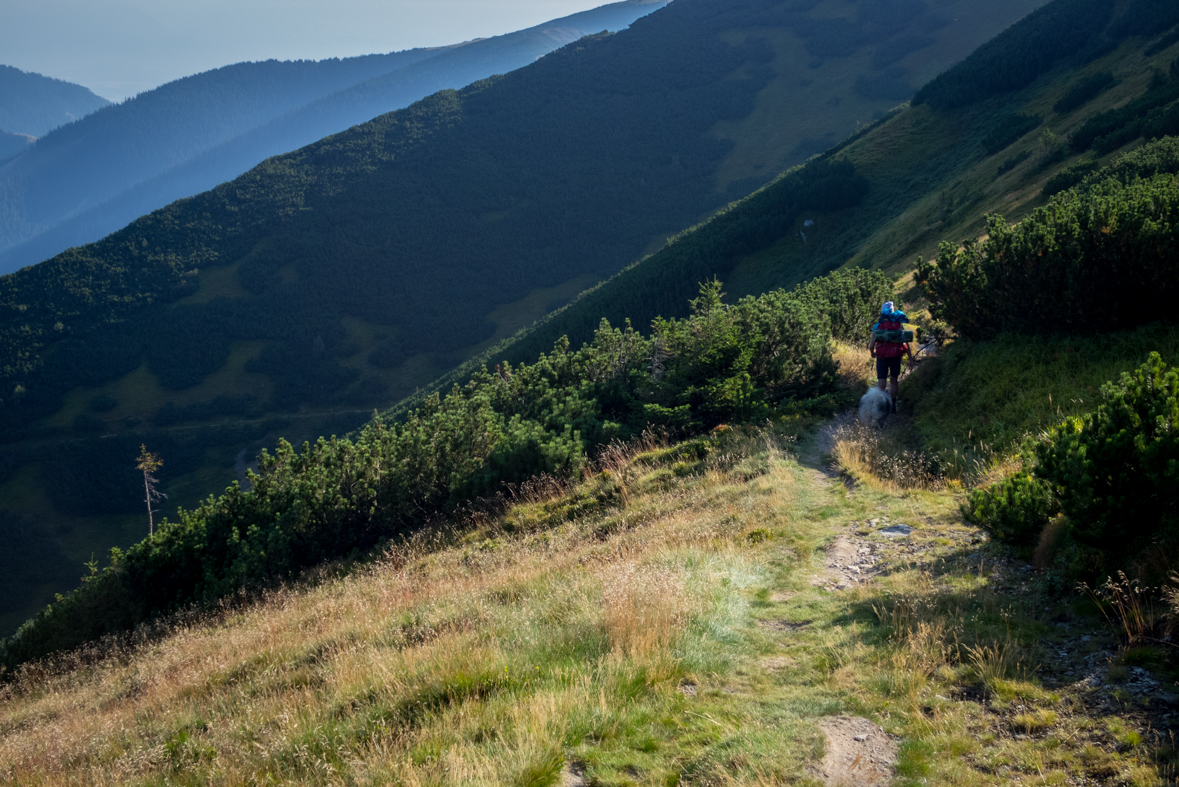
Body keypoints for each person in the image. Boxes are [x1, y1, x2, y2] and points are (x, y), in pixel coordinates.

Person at [868, 301, 912, 413]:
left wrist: (872, 353)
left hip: (882, 357)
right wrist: (911, 359)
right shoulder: (898, 325)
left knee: (881, 383)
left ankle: (882, 406)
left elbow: (871, 345)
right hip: (896, 356)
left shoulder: (877, 326)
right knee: (894, 381)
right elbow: (905, 343)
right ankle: (893, 406)